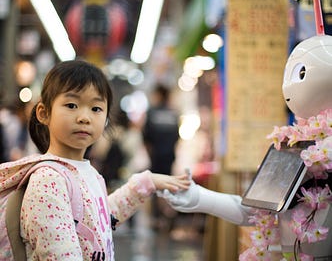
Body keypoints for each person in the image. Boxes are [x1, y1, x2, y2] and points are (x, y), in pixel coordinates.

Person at [160, 35, 332, 260]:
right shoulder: (291, 146)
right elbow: (256, 210)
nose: (289, 85)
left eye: (299, 73)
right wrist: (200, 198)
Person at [16, 60, 190, 260]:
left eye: (96, 108)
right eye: (71, 105)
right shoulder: (48, 181)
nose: (84, 117)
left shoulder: (85, 172)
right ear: (44, 113)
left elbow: (98, 220)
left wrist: (146, 183)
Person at [142, 84, 180, 229]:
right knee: (169, 185)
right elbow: (177, 137)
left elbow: (145, 137)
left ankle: (157, 218)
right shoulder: (173, 114)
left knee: (155, 186)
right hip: (169, 156)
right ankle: (169, 216)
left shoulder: (152, 113)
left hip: (155, 157)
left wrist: (150, 152)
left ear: (158, 95)